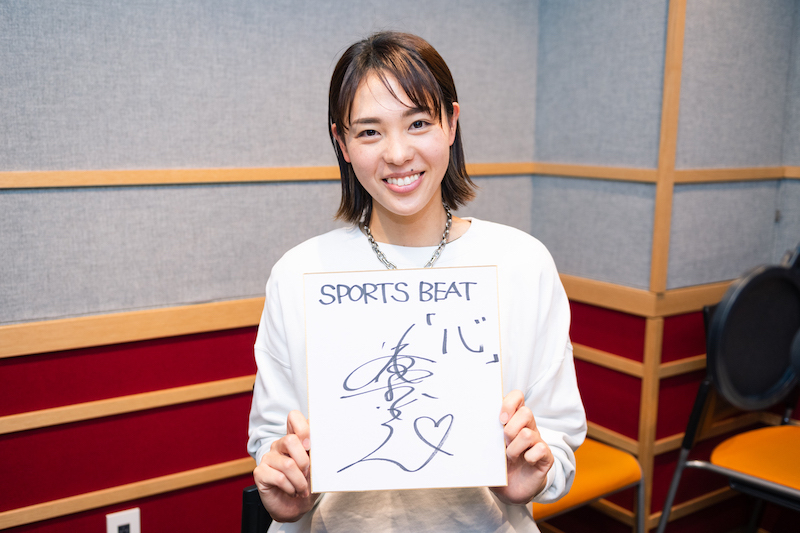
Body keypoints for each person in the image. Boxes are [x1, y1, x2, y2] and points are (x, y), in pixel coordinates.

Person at [247, 31, 586, 532]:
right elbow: (270, 439)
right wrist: (285, 482)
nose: (398, 153)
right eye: (369, 132)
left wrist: (534, 475)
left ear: (451, 123)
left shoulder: (522, 263)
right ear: (342, 143)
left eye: (419, 123)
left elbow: (558, 437)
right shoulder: (298, 273)